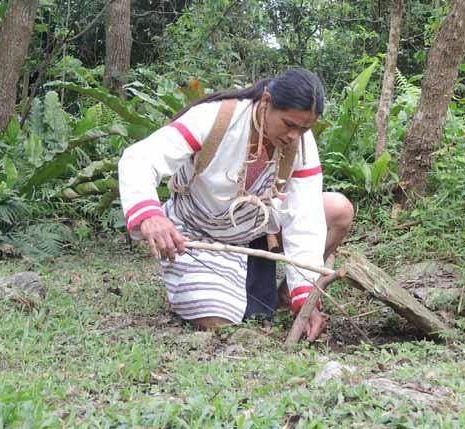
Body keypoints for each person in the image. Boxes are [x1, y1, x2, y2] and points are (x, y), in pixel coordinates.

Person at [118, 68, 353, 341]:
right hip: (196, 232)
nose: (294, 136)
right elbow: (139, 158)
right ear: (266, 102)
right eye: (289, 124)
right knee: (219, 320)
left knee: (338, 209)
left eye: (304, 128)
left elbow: (305, 217)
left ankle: (287, 295)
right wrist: (150, 216)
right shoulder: (217, 117)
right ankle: (190, 291)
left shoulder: (300, 143)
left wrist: (306, 297)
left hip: (253, 229)